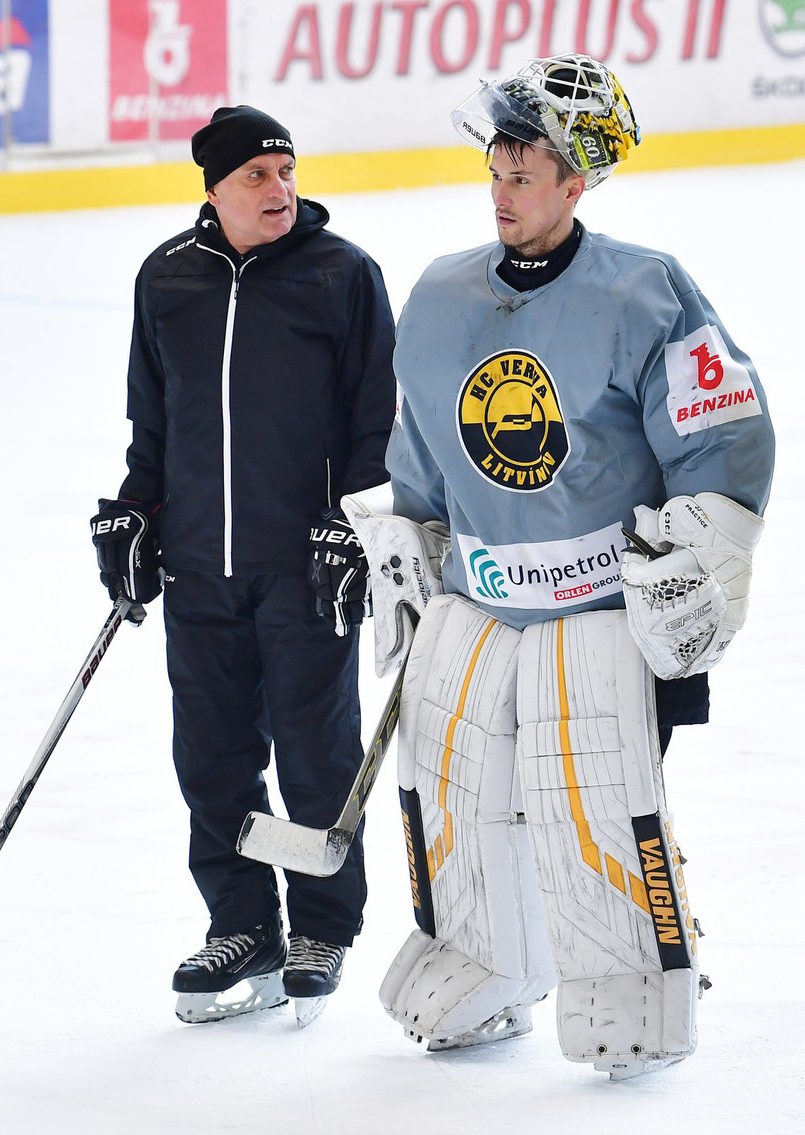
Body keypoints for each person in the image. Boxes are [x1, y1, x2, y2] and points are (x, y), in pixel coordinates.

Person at [350, 55, 774, 1078]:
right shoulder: (443, 295)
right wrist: (410, 542)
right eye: (495, 169)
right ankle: (484, 955)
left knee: (590, 795)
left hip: (599, 610)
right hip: (482, 598)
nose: (500, 193)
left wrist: (704, 551)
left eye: (524, 175)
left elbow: (721, 435)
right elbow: (425, 445)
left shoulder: (646, 291)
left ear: (576, 183)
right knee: (444, 782)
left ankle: (629, 972)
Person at [90, 105, 397, 1026]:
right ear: (214, 188)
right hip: (197, 570)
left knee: (315, 756)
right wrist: (136, 511)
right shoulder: (168, 279)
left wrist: (354, 526)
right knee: (213, 759)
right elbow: (156, 417)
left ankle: (320, 925)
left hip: (306, 565)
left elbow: (373, 422)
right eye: (256, 175)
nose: (278, 188)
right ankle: (242, 921)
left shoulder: (341, 275)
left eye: (286, 170)